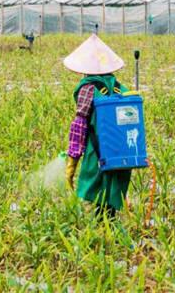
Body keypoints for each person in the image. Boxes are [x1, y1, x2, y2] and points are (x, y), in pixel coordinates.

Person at [64, 34, 132, 221]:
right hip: (121, 151)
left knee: (97, 196)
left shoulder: (88, 88)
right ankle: (108, 226)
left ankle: (103, 229)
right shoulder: (121, 88)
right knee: (110, 197)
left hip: (98, 152)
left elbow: (79, 126)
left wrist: (72, 160)